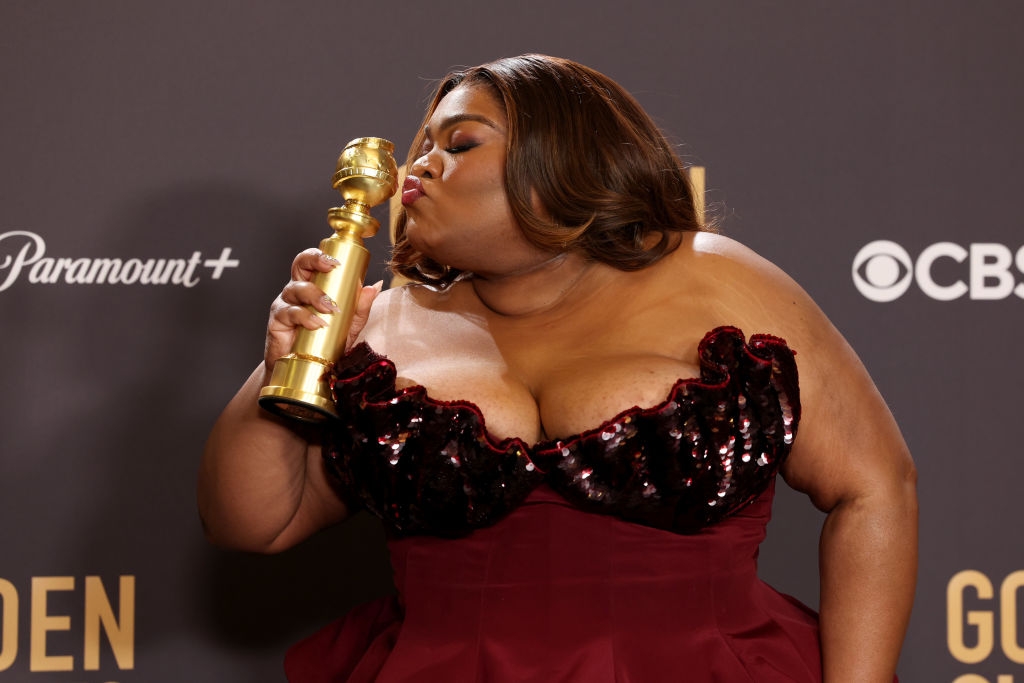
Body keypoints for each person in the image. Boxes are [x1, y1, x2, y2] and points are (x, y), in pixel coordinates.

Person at [199, 54, 917, 682]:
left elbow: (874, 487)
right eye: (422, 146)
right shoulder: (374, 317)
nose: (417, 165)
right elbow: (256, 523)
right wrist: (281, 366)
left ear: (564, 158)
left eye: (461, 142)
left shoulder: (724, 281)